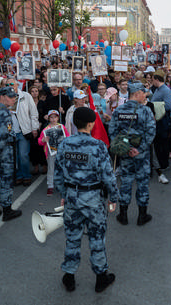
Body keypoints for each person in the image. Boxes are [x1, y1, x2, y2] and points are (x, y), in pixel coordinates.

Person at [54, 107, 119, 292]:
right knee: (97, 238)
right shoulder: (98, 146)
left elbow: (58, 175)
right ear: (91, 124)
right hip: (93, 201)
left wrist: (64, 195)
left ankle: (69, 276)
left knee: (72, 238)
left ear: (74, 123)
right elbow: (108, 176)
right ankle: (100, 278)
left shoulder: (64, 144)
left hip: (72, 199)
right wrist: (113, 197)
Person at [108, 82, 156, 225]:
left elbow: (112, 132)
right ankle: (142, 215)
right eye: (143, 93)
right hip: (141, 154)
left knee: (125, 182)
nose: (145, 95)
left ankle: (123, 215)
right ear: (137, 94)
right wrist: (139, 149)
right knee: (142, 183)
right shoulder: (146, 111)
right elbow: (151, 132)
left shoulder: (118, 111)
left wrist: (124, 148)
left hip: (125, 153)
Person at [0, 87, 23, 222]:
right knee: (6, 180)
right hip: (4, 151)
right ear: (2, 96)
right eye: (11, 96)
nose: (14, 99)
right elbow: (2, 135)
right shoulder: (4, 112)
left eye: (14, 96)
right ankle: (7, 210)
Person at [6, 78, 39, 186]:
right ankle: (18, 176)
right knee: (14, 156)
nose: (10, 86)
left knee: (23, 155)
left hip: (23, 131)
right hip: (10, 131)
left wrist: (34, 127)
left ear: (17, 85)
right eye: (7, 84)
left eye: (12, 84)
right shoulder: (4, 98)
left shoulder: (26, 96)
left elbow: (33, 113)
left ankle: (26, 175)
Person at [38, 110, 70, 196]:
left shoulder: (61, 127)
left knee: (62, 168)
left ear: (58, 118)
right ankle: (50, 186)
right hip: (50, 152)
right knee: (51, 169)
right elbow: (40, 141)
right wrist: (43, 140)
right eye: (51, 117)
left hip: (61, 152)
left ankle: (62, 185)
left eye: (55, 117)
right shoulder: (46, 129)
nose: (53, 119)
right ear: (48, 118)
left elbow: (67, 137)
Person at [150, 71, 171, 184]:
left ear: (157, 79)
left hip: (162, 121)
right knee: (158, 143)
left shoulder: (166, 90)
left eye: (153, 79)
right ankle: (159, 162)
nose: (152, 81)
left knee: (163, 143)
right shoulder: (158, 89)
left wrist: (154, 105)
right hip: (157, 120)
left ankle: (163, 164)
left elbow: (168, 105)